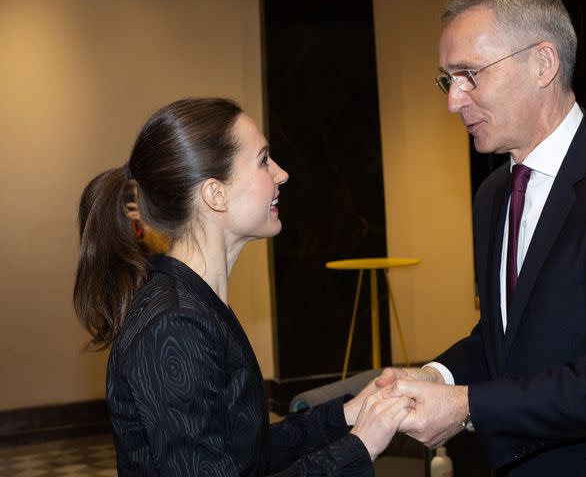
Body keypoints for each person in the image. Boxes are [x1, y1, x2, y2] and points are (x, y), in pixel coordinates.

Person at [379, 0, 586, 476]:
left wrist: (467, 406)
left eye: (469, 75)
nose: (453, 101)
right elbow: (507, 338)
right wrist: (436, 374)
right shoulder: (492, 195)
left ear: (543, 64)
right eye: (448, 79)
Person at [73, 98, 411, 476]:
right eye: (264, 160)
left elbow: (247, 452)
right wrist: (360, 446)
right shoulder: (173, 325)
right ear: (215, 194)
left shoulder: (196, 304)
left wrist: (348, 414)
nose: (281, 174)